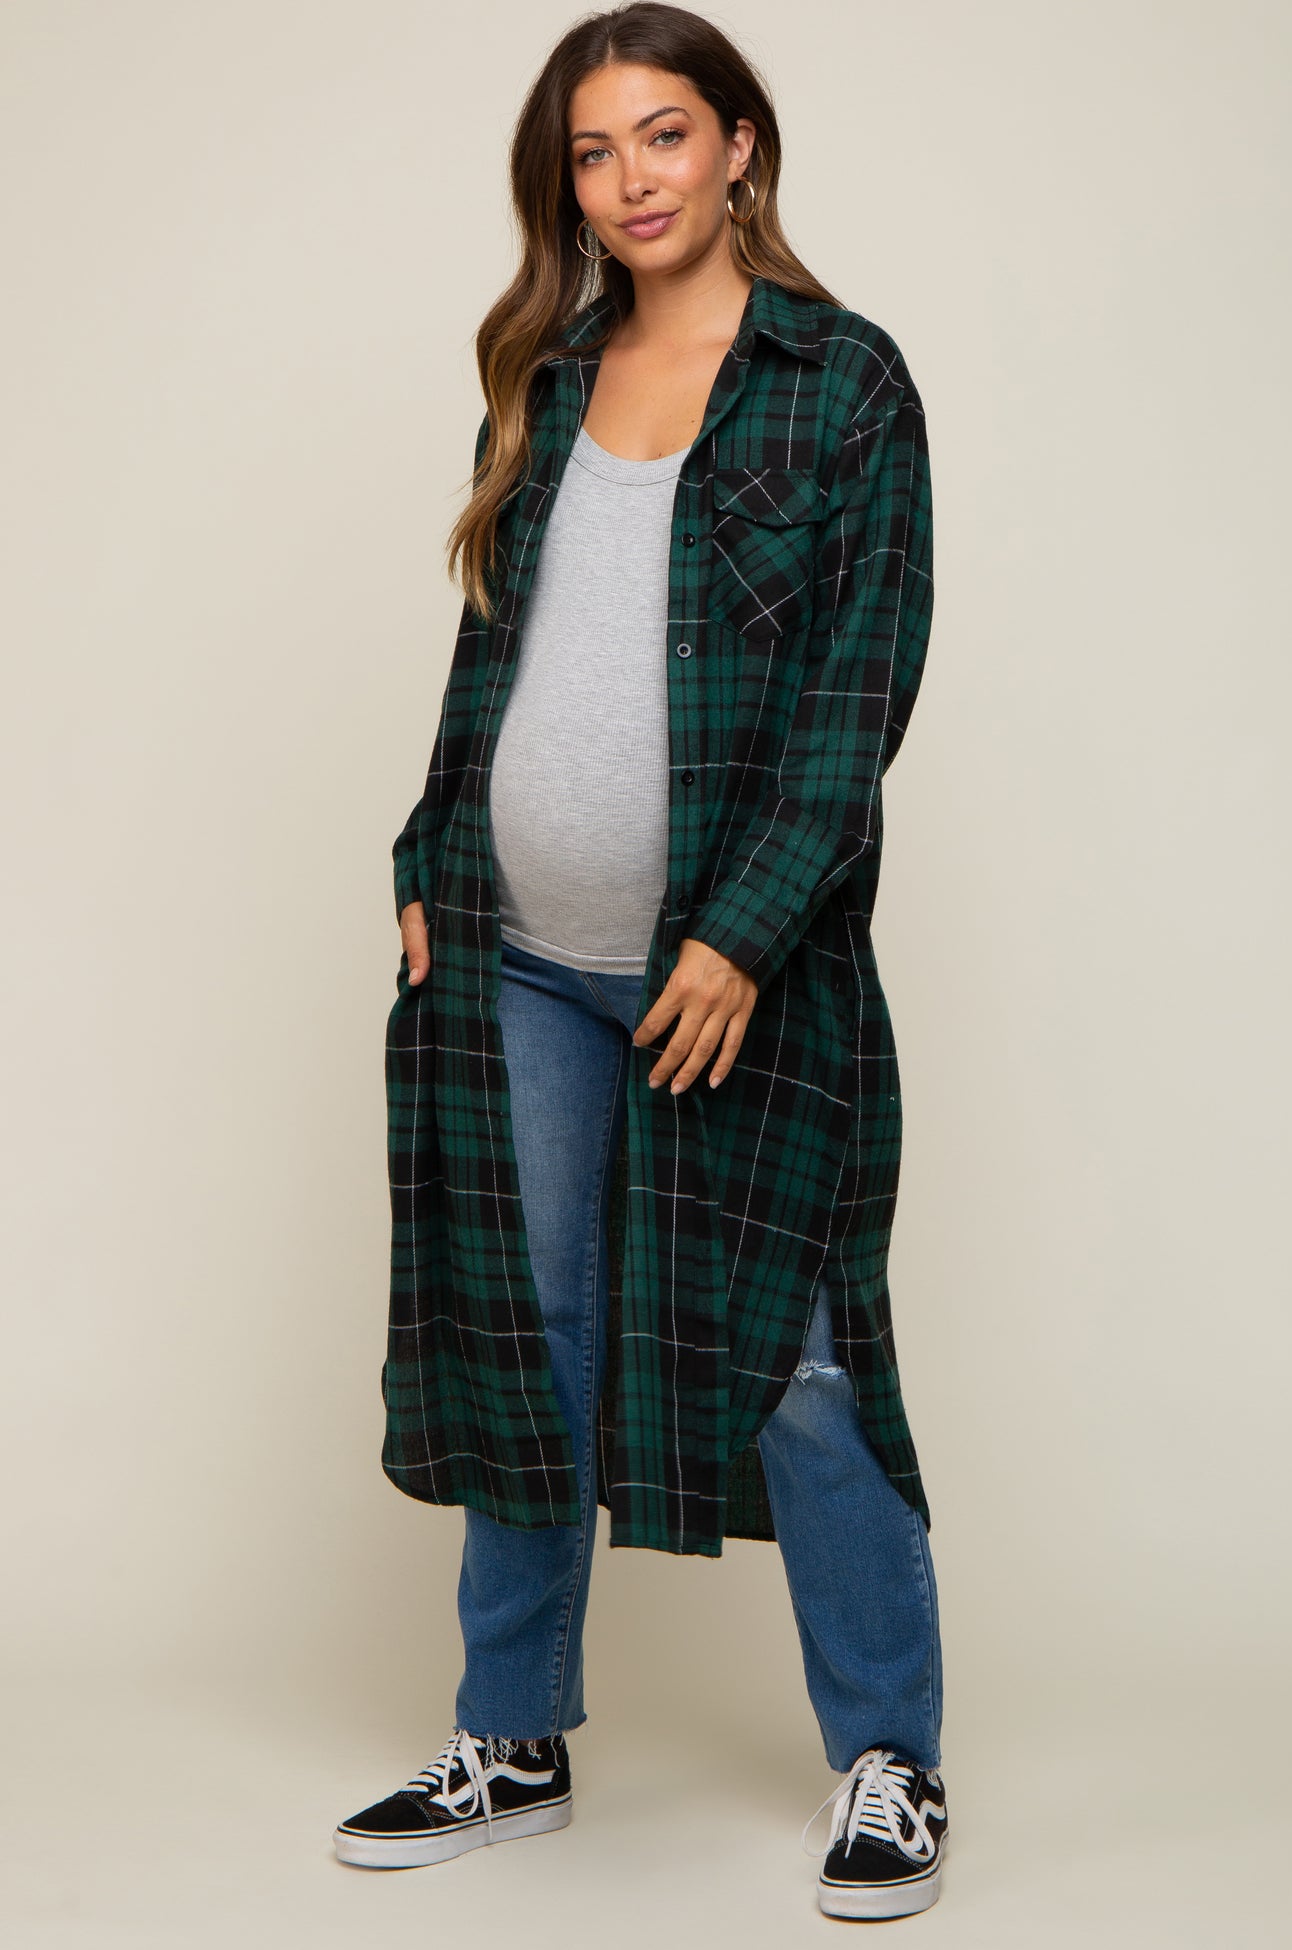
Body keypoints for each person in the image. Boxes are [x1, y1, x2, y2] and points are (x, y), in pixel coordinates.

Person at [333, 2, 947, 1921]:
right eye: (592, 153)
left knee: (802, 1358)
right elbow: (487, 659)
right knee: (525, 1340)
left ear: (740, 144)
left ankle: (892, 1760)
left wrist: (743, 937)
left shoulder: (843, 383)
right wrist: (430, 856)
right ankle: (511, 1735)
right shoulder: (547, 371)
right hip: (516, 961)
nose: (629, 181)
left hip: (735, 973)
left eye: (664, 135)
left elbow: (856, 702)